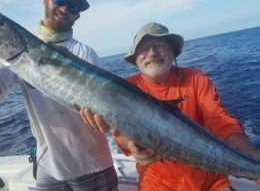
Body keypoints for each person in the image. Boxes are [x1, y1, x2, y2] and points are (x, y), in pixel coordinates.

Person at [0, 0, 118, 191]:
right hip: (50, 168)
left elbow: (103, 105)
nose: (65, 8)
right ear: (46, 0)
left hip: (94, 166)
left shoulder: (84, 53)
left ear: (77, 15)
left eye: (73, 6)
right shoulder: (19, 53)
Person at [80, 22, 260, 191]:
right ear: (136, 59)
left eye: (160, 46)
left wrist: (252, 156)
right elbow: (119, 134)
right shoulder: (126, 88)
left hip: (211, 182)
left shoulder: (195, 78)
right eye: (143, 49)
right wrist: (132, 145)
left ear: (173, 53)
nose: (152, 53)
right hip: (157, 184)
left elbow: (219, 119)